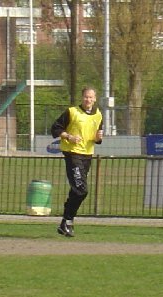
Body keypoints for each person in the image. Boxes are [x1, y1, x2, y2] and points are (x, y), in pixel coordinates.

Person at [51, 86, 103, 237]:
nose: (88, 100)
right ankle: (67, 220)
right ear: (82, 98)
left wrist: (99, 138)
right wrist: (69, 137)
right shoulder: (72, 112)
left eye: (91, 97)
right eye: (86, 97)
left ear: (95, 99)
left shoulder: (98, 115)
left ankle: (65, 223)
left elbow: (97, 138)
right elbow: (55, 128)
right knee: (81, 189)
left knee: (77, 190)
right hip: (73, 153)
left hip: (87, 155)